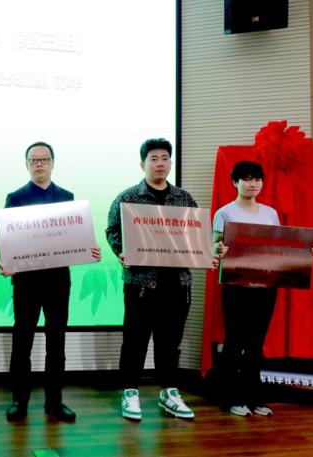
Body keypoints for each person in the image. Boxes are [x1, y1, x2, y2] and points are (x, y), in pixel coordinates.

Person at [0, 142, 101, 422]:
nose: (39, 164)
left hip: (58, 281)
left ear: (53, 163)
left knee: (56, 342)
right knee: (23, 341)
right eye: (34, 160)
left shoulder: (67, 197)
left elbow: (76, 236)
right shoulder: (15, 198)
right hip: (26, 282)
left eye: (44, 159)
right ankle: (20, 400)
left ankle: (54, 401)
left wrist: (89, 249)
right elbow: (5, 238)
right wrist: (4, 258)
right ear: (27, 165)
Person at [105, 137, 201, 421]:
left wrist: (207, 251)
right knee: (135, 340)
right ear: (142, 164)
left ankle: (169, 392)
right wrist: (120, 250)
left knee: (171, 341)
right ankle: (130, 392)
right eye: (154, 159)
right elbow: (112, 230)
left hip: (177, 283)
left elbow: (196, 234)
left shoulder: (184, 199)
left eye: (165, 158)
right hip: (141, 284)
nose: (160, 163)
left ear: (170, 163)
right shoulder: (128, 198)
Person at [212, 160, 313, 417]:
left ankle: (254, 397)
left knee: (256, 342)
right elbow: (215, 245)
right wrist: (218, 248)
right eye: (246, 179)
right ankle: (231, 398)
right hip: (237, 287)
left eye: (257, 179)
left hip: (266, 288)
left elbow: (278, 247)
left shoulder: (270, 213)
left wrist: (306, 250)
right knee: (235, 341)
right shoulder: (225, 213)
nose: (253, 184)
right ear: (235, 182)